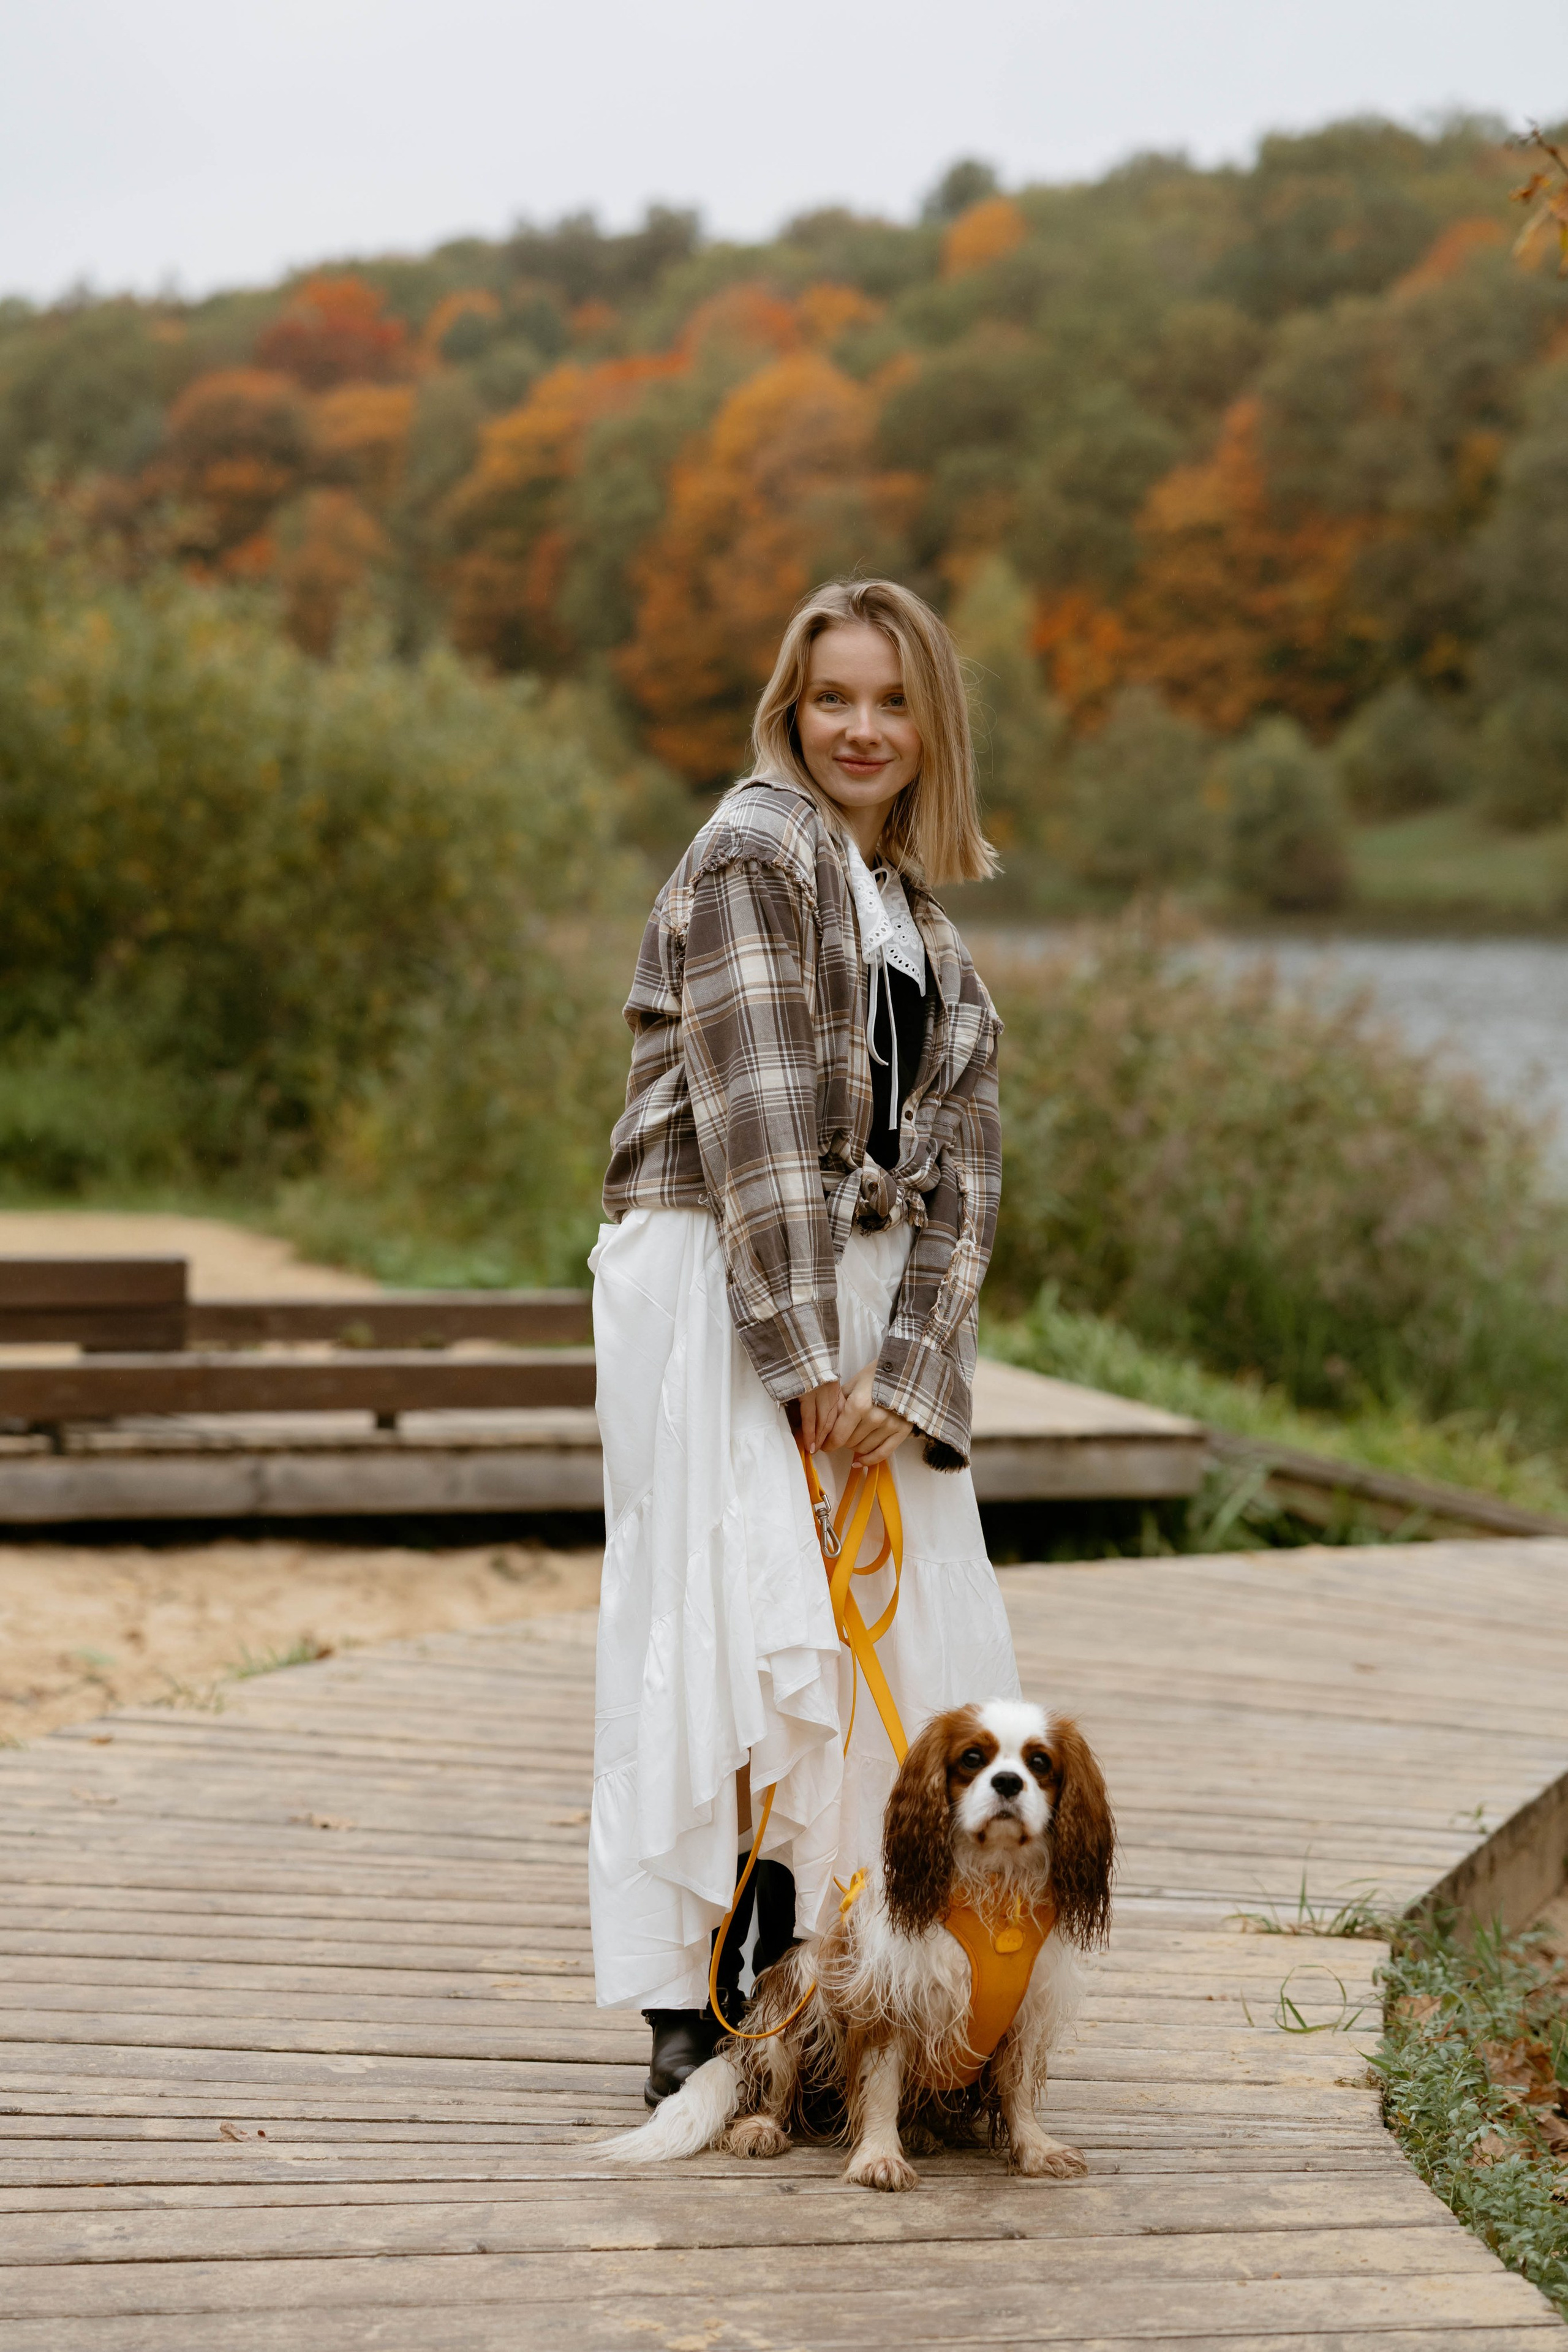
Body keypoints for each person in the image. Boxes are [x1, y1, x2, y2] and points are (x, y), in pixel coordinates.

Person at [588, 577, 1020, 2108]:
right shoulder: (752, 854)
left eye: (892, 701)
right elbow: (760, 1123)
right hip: (716, 1272)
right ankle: (689, 1996)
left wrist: (905, 1374)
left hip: (852, 1296)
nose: (861, 728)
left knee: (867, 1636)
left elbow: (966, 1172)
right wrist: (800, 1364)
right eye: (832, 696)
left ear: (932, 725)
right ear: (790, 704)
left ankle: (837, 1983)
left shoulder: (917, 921)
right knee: (722, 1613)